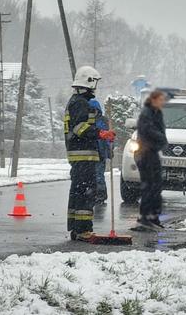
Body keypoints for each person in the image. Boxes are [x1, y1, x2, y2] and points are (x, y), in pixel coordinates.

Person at [64, 66, 115, 242]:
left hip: (81, 156)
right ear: (89, 82)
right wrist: (101, 134)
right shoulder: (80, 103)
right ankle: (83, 229)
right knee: (86, 192)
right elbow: (79, 128)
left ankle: (76, 228)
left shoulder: (77, 101)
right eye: (95, 82)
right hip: (83, 155)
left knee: (78, 192)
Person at [135, 90, 168, 228]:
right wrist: (161, 138)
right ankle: (145, 216)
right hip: (145, 153)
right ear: (153, 100)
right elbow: (147, 130)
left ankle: (154, 216)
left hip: (153, 152)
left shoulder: (156, 113)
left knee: (156, 184)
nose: (162, 102)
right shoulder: (146, 113)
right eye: (160, 99)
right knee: (149, 184)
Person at [89, 99, 111, 205]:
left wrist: (109, 148)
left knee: (99, 175)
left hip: (100, 152)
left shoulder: (103, 121)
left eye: (94, 110)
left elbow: (108, 137)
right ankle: (93, 193)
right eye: (91, 110)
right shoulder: (87, 121)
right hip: (90, 152)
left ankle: (101, 195)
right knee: (91, 175)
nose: (93, 112)